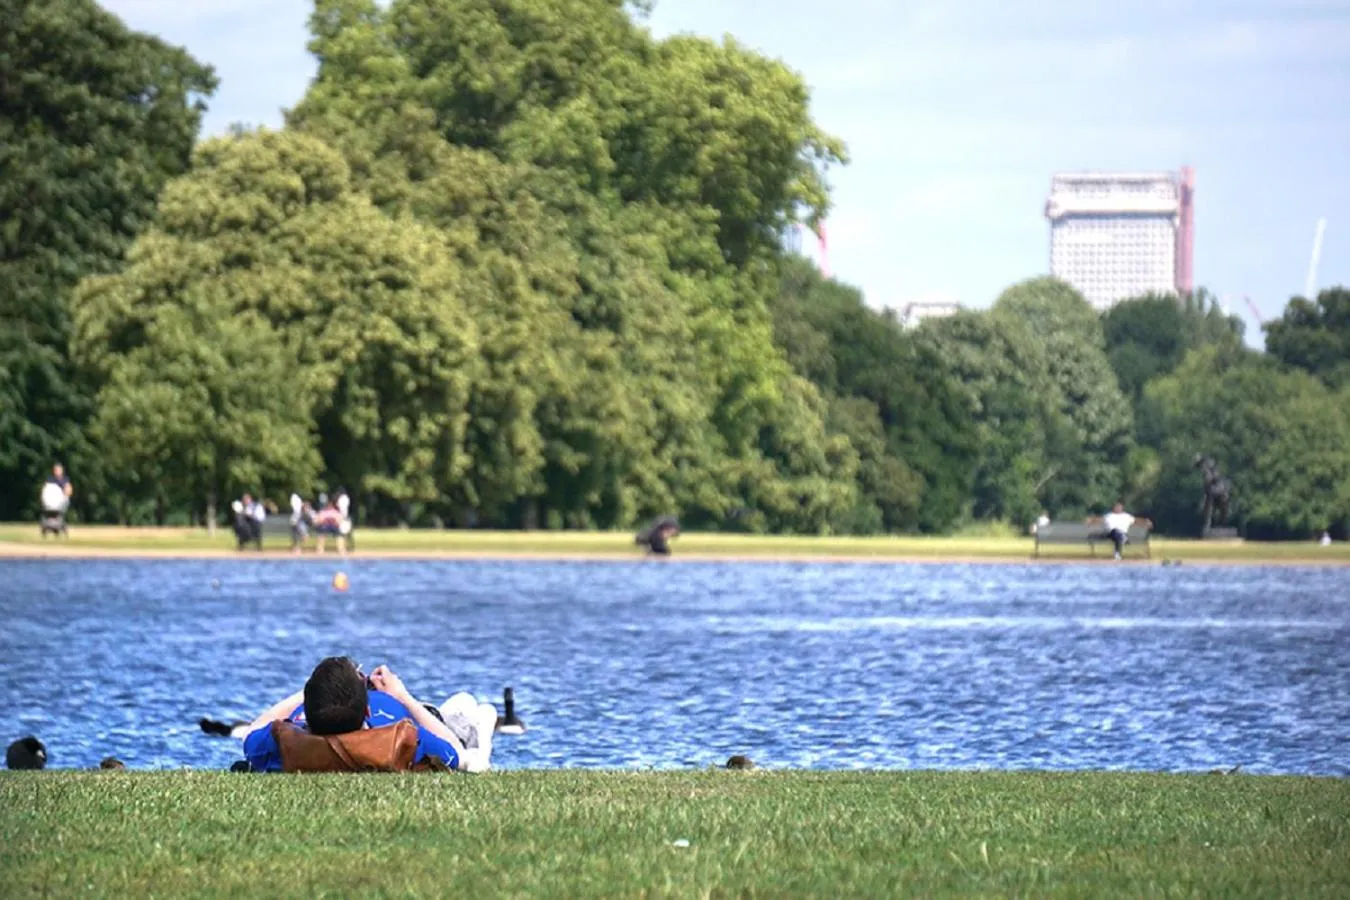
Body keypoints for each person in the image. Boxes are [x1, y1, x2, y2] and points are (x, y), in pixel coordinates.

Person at [241, 657, 494, 773]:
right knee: (466, 704)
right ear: (366, 709)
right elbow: (455, 754)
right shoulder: (399, 738)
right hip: (432, 719)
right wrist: (403, 696)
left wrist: (308, 693)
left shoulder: (285, 743)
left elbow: (251, 734)